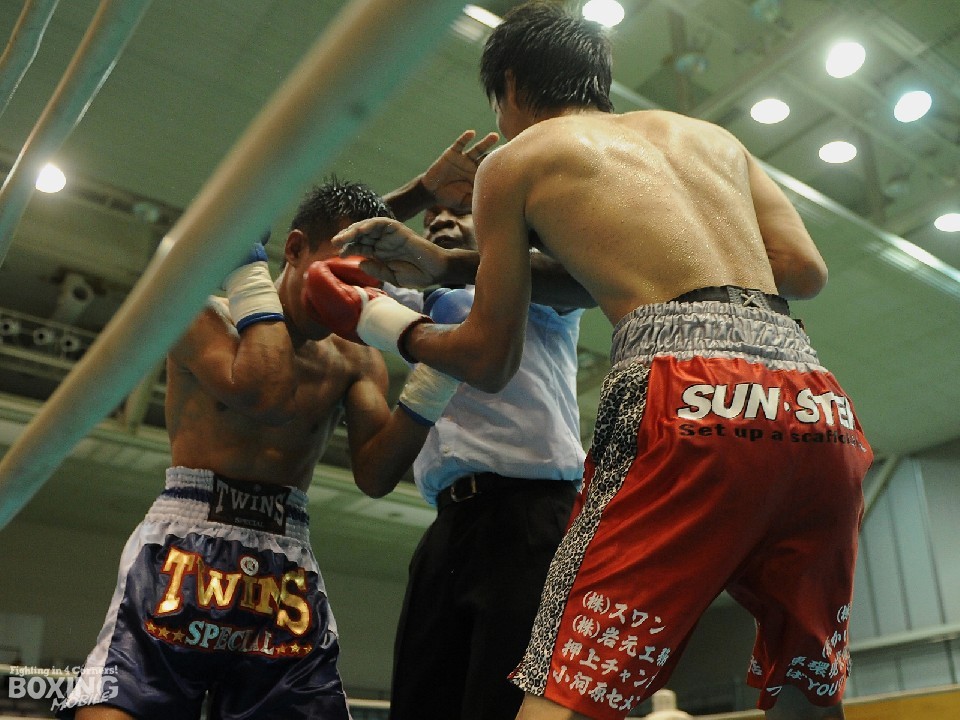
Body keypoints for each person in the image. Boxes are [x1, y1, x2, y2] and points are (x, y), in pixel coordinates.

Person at [319, 3, 875, 719]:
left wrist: (389, 325)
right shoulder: (712, 139)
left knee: (561, 689)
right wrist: (452, 264)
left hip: (684, 393)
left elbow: (488, 359)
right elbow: (802, 272)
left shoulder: (517, 159)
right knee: (805, 694)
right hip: (814, 399)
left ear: (508, 87)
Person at [57, 136, 493, 719]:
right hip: (184, 547)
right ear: (292, 249)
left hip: (285, 567)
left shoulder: (356, 357)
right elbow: (263, 388)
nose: (355, 291)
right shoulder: (204, 316)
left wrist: (436, 376)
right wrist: (248, 269)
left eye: (369, 281)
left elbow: (376, 474)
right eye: (342, 271)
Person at [358, 201, 591, 720]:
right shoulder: (409, 301)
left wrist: (461, 260)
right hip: (447, 525)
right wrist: (418, 193)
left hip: (531, 516)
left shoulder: (535, 287)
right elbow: (330, 257)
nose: (440, 221)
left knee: (505, 709)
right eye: (430, 218)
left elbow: (585, 282)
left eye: (460, 212)